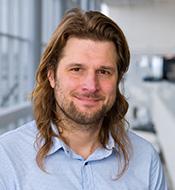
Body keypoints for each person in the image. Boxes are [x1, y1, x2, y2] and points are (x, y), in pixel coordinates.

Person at [0, 8, 167, 190]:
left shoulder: (145, 159)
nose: (91, 86)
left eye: (104, 72)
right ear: (52, 76)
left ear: (118, 80)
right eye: (77, 69)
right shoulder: (7, 158)